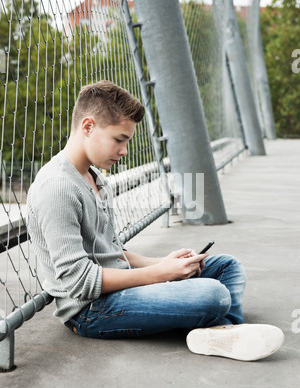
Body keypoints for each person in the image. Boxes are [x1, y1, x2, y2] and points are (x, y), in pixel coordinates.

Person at [27, 80, 284, 361]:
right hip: (92, 310)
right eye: (119, 139)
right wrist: (163, 274)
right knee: (214, 295)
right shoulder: (58, 187)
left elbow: (113, 250)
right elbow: (79, 282)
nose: (124, 151)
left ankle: (218, 331)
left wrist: (163, 262)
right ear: (88, 127)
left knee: (227, 267)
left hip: (122, 286)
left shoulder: (96, 178)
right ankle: (223, 326)